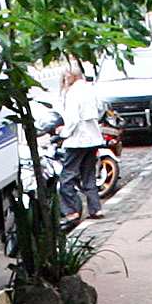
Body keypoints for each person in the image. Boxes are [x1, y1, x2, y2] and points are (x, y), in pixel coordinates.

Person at [56, 67, 107, 223]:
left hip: (77, 140)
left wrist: (63, 133)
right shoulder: (90, 89)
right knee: (89, 175)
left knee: (67, 176)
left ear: (71, 76)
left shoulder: (73, 93)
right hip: (93, 138)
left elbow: (72, 119)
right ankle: (96, 208)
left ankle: (71, 211)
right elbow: (101, 108)